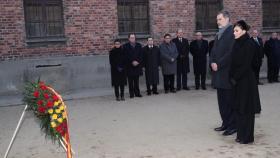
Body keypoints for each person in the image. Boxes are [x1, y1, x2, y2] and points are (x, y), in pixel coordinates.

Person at [230, 20, 261, 144]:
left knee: (247, 109)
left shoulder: (249, 44)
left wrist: (235, 77)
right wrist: (231, 76)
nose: (234, 33)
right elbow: (233, 62)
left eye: (236, 31)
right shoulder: (236, 43)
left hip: (246, 81)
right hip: (237, 81)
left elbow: (246, 64)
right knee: (239, 108)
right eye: (234, 31)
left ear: (243, 31)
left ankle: (247, 137)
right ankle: (240, 134)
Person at [210, 11, 236, 136]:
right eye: (217, 19)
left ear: (227, 19)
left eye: (219, 19)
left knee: (229, 100)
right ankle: (225, 123)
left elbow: (231, 53)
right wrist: (212, 62)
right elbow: (213, 51)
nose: (217, 21)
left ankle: (232, 126)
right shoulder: (218, 34)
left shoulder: (232, 32)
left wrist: (218, 64)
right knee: (222, 101)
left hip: (226, 73)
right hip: (218, 74)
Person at [123, 33, 143, 98]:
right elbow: (125, 56)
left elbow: (141, 55)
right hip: (129, 66)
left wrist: (137, 61)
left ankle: (137, 93)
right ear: (129, 38)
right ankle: (131, 94)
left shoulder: (139, 45)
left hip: (137, 65)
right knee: (130, 81)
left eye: (133, 37)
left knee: (136, 81)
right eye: (131, 38)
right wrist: (132, 61)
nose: (132, 39)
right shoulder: (125, 46)